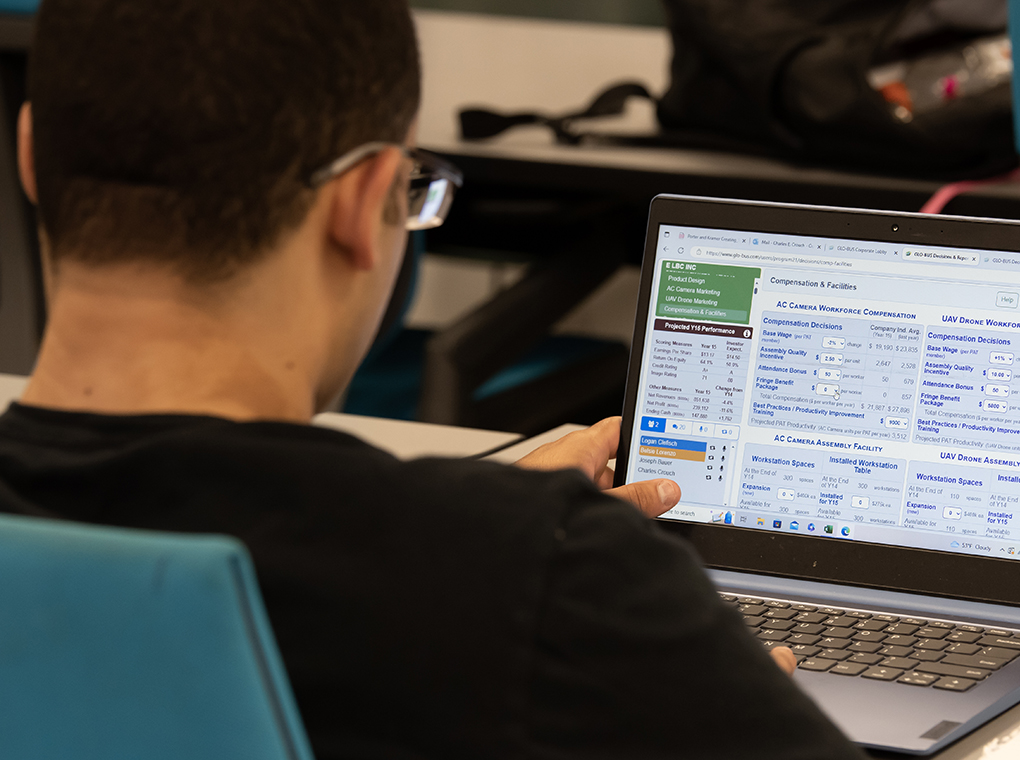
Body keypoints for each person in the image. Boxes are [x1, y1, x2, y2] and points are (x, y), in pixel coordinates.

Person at [0, 1, 867, 758]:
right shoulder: (549, 589)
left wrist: (472, 513)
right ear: (364, 204)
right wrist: (530, 552)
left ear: (32, 155)